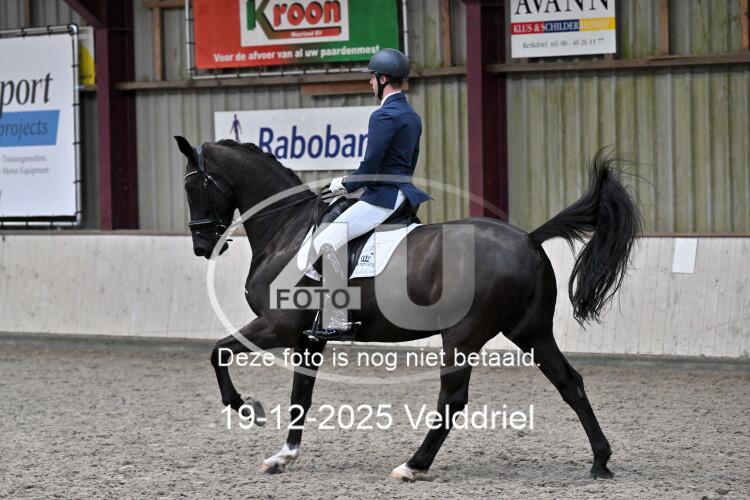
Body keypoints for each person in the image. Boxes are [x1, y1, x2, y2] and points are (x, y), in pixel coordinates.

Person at [305, 48, 431, 340]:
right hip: (403, 194)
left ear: (383, 79)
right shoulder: (411, 115)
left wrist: (343, 184)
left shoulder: (383, 115)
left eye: (372, 78)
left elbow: (371, 167)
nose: (370, 83)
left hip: (382, 197)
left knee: (325, 242)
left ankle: (337, 319)